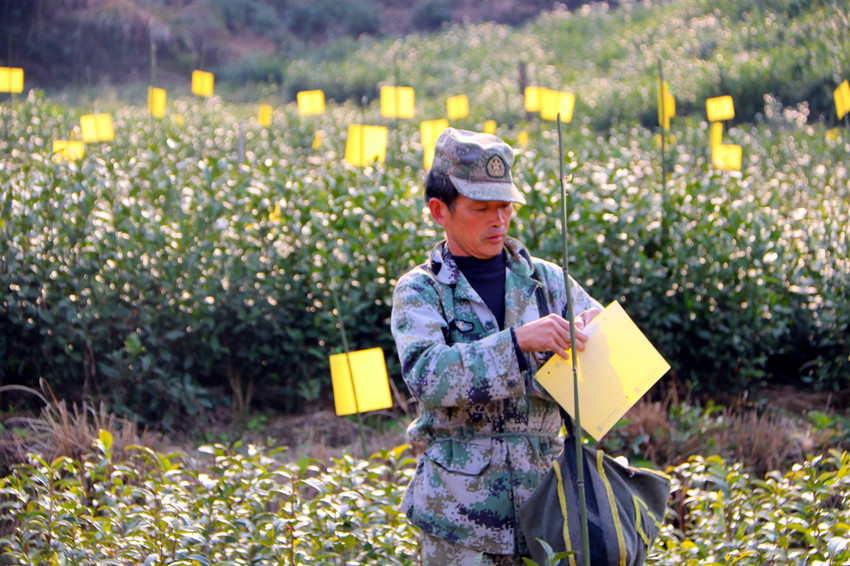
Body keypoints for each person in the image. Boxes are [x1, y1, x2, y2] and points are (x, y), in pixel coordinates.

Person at [390, 127, 603, 565]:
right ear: (439, 210)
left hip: (547, 510)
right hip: (458, 519)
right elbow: (428, 376)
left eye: (505, 206)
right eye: (481, 208)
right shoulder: (421, 290)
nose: (498, 220)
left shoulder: (548, 280)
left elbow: (607, 360)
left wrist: (595, 337)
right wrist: (517, 343)